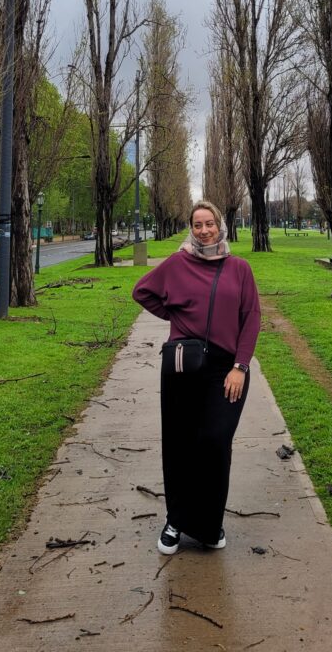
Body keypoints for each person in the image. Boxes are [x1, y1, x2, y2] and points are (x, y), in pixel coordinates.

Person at [132, 200, 261, 554]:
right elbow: (141, 292)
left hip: (226, 369)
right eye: (198, 224)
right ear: (191, 228)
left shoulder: (239, 269)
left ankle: (208, 524)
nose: (204, 230)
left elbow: (251, 319)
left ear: (220, 225)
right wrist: (177, 314)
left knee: (215, 441)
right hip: (183, 363)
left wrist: (241, 366)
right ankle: (176, 521)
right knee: (180, 443)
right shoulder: (177, 263)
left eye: (210, 223)